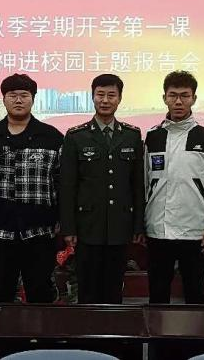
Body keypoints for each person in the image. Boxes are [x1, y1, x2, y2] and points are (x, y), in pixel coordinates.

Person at [0, 74, 64, 303]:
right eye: (12, 95)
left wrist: (62, 218)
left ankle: (39, 328)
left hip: (40, 230)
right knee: (0, 292)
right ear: (4, 99)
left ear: (33, 99)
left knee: (40, 292)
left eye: (24, 95)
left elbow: (63, 181)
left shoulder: (52, 137)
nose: (18, 100)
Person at [144, 70, 204, 304]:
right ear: (164, 98)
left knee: (195, 295)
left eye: (184, 95)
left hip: (195, 233)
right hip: (158, 231)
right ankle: (156, 331)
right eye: (173, 95)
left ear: (194, 98)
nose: (178, 101)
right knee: (157, 296)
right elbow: (143, 185)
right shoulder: (152, 138)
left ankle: (196, 331)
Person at [60, 74, 145, 304]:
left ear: (119, 99)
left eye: (111, 95)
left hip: (120, 225)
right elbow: (67, 186)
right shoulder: (76, 136)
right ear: (92, 97)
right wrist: (68, 227)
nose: (105, 100)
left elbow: (137, 185)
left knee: (114, 288)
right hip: (88, 226)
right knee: (87, 288)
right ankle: (88, 328)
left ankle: (113, 328)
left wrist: (138, 224)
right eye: (100, 95)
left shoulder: (132, 135)